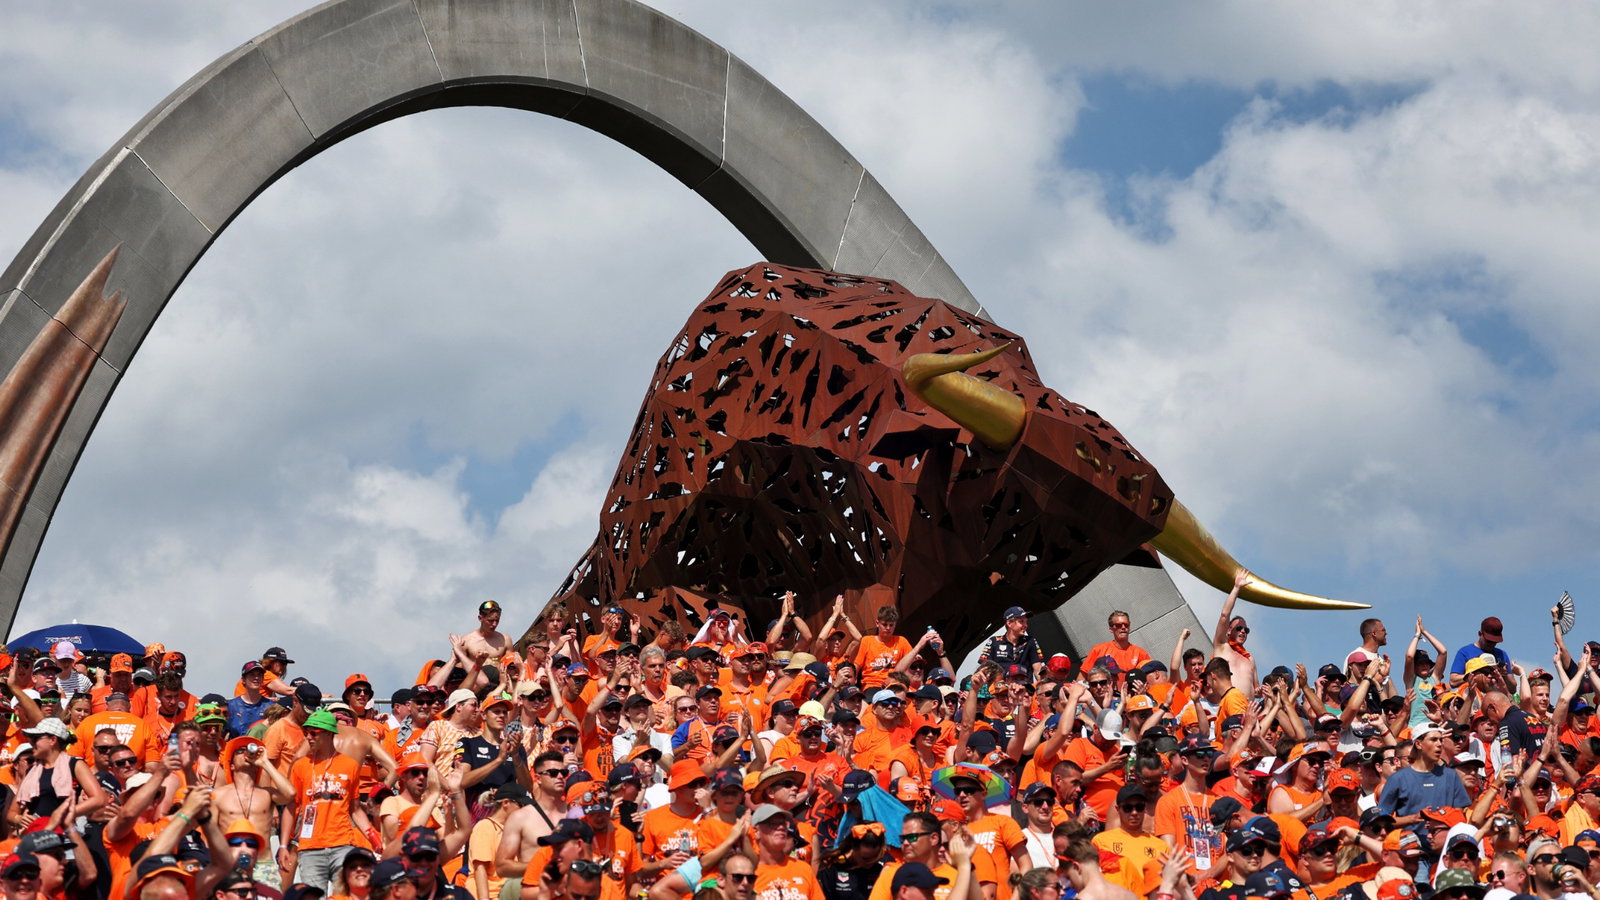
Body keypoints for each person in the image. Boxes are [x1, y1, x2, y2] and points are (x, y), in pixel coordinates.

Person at [287, 709, 375, 891]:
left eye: (313, 733)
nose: (308, 738)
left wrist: (373, 836)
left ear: (328, 733)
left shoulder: (350, 765)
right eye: (306, 733)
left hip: (341, 844)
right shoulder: (301, 765)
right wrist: (283, 844)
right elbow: (291, 806)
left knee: (343, 896)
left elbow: (355, 809)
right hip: (310, 847)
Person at [1211, 570, 1257, 694]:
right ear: (1229, 630)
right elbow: (1224, 616)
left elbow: (1256, 688)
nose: (1243, 631)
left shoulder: (1250, 659)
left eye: (1246, 630)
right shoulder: (1222, 646)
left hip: (1247, 710)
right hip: (1227, 706)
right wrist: (1236, 588)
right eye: (1239, 628)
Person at [1083, 611, 1150, 684]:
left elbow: (1151, 678)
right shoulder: (1098, 650)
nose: (1123, 627)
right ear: (1111, 629)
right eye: (1118, 625)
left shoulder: (1141, 653)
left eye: (1126, 624)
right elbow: (1082, 679)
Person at [978, 609, 1044, 682]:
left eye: (1026, 622)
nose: (1026, 625)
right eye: (1021, 621)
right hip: (1000, 691)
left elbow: (1038, 669)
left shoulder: (1030, 641)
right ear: (1009, 623)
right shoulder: (994, 641)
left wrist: (1043, 689)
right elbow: (984, 669)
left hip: (1025, 690)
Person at [1450, 618, 1510, 687]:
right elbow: (1453, 681)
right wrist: (1475, 675)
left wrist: (1504, 675)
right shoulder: (1465, 652)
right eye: (1489, 641)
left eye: (1495, 642)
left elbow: (1512, 689)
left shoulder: (1502, 655)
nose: (1492, 644)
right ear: (1480, 634)